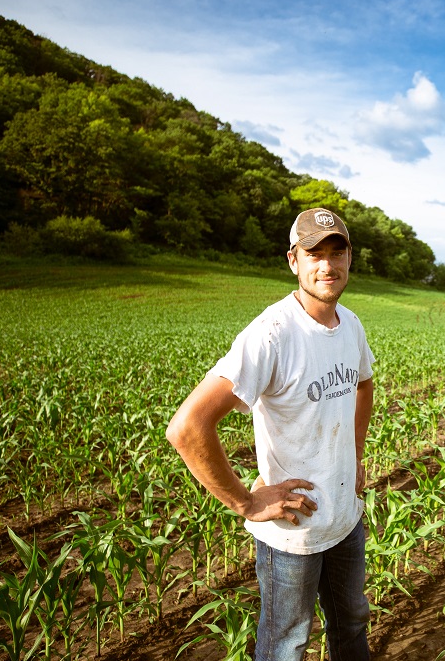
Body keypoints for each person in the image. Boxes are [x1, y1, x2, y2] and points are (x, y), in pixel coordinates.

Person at [166, 208, 374, 661]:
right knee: (286, 643)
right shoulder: (272, 334)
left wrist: (355, 455)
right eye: (314, 254)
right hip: (293, 532)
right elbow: (187, 427)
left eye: (337, 252)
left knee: (352, 624)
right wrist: (246, 502)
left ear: (349, 258)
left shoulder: (351, 325)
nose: (327, 265)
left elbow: (363, 385)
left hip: (345, 518)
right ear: (293, 260)